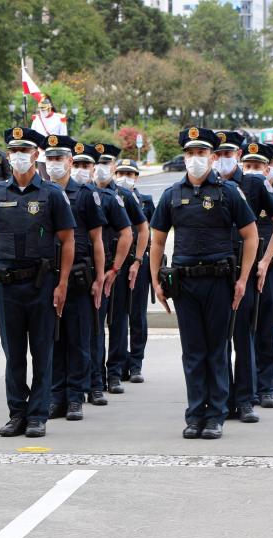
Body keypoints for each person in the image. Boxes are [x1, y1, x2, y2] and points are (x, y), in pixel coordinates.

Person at [149, 127, 258, 440]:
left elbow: (250, 236)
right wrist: (156, 279)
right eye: (190, 154)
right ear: (184, 157)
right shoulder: (172, 194)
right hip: (184, 284)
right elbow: (157, 242)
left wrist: (242, 279)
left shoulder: (228, 193)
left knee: (217, 351)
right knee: (193, 352)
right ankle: (195, 414)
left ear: (212, 157)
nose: (195, 159)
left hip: (219, 281)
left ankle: (216, 416)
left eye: (201, 154)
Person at [0, 127, 75, 438]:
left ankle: (37, 415)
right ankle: (17, 413)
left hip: (41, 284)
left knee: (42, 352)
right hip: (7, 286)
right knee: (14, 354)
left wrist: (63, 283)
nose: (18, 155)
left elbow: (68, 240)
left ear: (35, 155)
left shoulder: (52, 195)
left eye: (25, 150)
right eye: (14, 150)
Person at [222, 142, 273, 423]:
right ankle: (222, 399)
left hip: (247, 271)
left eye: (227, 154)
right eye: (218, 155)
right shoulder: (205, 187)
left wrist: (264, 261)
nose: (221, 160)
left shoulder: (253, 184)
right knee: (218, 342)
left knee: (246, 337)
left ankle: (247, 398)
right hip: (217, 272)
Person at [45, 136, 107, 421]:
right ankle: (57, 395)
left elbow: (97, 240)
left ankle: (75, 397)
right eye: (51, 159)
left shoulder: (84, 194)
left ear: (69, 162)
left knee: (78, 338)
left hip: (80, 275)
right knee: (54, 339)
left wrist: (99, 278)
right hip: (48, 275)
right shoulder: (42, 193)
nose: (55, 164)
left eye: (60, 159)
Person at [71, 144, 132, 405]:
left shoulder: (106, 198)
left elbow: (129, 231)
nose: (82, 171)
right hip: (72, 272)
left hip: (100, 272)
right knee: (77, 333)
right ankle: (77, 384)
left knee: (97, 329)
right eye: (78, 165)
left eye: (87, 166)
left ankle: (97, 382)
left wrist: (114, 268)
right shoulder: (61, 195)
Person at [92, 144, 149, 393]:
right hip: (94, 267)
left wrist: (136, 261)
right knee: (94, 323)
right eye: (99, 163)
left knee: (117, 320)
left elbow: (143, 228)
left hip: (120, 266)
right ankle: (95, 375)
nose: (102, 168)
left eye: (107, 163)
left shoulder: (124, 197)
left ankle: (115, 372)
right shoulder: (86, 193)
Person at [116, 159, 155, 382]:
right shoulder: (112, 198)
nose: (124, 177)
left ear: (136, 177)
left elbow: (153, 231)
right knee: (118, 315)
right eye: (121, 172)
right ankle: (120, 363)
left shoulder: (145, 201)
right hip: (118, 262)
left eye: (129, 174)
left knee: (137, 315)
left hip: (139, 262)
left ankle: (136, 362)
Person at [29, 95, 67, 178]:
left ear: (49, 108)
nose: (42, 111)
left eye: (44, 109)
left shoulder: (59, 118)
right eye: (40, 109)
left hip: (55, 153)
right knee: (44, 180)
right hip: (41, 153)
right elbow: (32, 136)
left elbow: (64, 137)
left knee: (56, 178)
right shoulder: (37, 119)